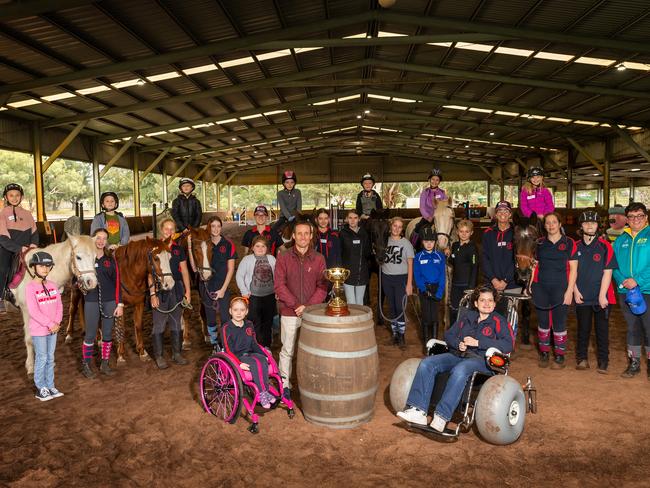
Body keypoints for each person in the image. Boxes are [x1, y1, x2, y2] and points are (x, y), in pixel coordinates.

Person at [396, 286, 513, 432]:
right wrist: (458, 343)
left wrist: (479, 343)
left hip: (482, 360)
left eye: (490, 300)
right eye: (482, 300)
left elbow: (508, 344)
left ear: (495, 304)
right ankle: (418, 411)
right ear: (476, 303)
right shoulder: (467, 317)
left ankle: (442, 416)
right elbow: (448, 335)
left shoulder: (499, 321)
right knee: (427, 363)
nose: (487, 303)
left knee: (460, 370)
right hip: (458, 354)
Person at [274, 220, 328, 400]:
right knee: (287, 350)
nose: (303, 237)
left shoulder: (319, 259)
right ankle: (285, 385)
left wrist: (308, 307)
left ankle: (311, 384)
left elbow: (322, 287)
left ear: (311, 236)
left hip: (312, 315)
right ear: (294, 236)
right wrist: (297, 306)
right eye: (300, 233)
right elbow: (279, 286)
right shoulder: (284, 257)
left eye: (307, 233)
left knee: (312, 352)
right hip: (290, 313)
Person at [573, 211, 617, 374]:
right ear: (581, 226)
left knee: (602, 330)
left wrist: (602, 295)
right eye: (586, 223)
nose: (589, 225)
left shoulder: (605, 246)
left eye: (593, 223)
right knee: (583, 328)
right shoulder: (575, 246)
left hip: (602, 297)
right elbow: (571, 272)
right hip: (582, 296)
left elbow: (608, 272)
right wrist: (575, 292)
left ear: (599, 226)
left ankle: (603, 361)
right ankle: (582, 358)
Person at [532, 212, 578, 369]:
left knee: (559, 322)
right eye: (547, 223)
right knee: (543, 322)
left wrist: (569, 291)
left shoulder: (569, 242)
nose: (551, 225)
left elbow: (574, 269)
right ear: (544, 226)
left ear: (560, 224)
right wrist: (530, 285)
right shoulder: (539, 243)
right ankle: (544, 352)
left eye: (554, 222)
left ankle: (559, 355)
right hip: (541, 287)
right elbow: (534, 267)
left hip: (561, 288)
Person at [612, 202, 650, 379]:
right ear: (627, 219)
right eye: (632, 216)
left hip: (647, 290)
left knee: (648, 328)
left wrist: (638, 281)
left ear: (646, 217)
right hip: (626, 291)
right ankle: (634, 363)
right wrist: (623, 281)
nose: (636, 220)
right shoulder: (621, 240)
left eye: (640, 216)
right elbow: (613, 265)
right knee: (632, 327)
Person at [149, 218, 192, 369]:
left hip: (177, 289)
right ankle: (159, 355)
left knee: (176, 320)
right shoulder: (154, 247)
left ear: (175, 232)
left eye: (172, 229)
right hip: (160, 290)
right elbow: (149, 273)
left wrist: (188, 291)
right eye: (166, 229)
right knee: (159, 323)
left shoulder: (178, 249)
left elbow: (185, 271)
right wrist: (152, 293)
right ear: (162, 230)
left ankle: (177, 353)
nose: (169, 232)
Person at [81, 228, 123, 379]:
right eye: (98, 238)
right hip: (91, 300)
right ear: (93, 239)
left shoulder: (110, 260)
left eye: (104, 239)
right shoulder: (86, 259)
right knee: (90, 334)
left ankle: (104, 363)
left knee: (107, 333)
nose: (101, 241)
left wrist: (120, 304)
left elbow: (117, 282)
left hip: (110, 301)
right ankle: (86, 364)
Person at [222, 297, 276, 409]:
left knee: (262, 360)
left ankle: (265, 390)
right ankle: (261, 393)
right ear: (230, 311)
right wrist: (238, 363)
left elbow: (254, 344)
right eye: (235, 310)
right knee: (254, 363)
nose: (238, 313)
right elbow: (227, 349)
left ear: (246, 311)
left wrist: (266, 356)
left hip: (250, 353)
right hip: (236, 356)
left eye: (242, 310)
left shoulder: (249, 324)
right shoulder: (227, 328)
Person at [25, 251, 64, 401]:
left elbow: (59, 306)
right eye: (41, 266)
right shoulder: (30, 287)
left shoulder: (53, 285)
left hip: (53, 328)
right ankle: (41, 388)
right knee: (41, 357)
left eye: (48, 266)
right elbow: (33, 311)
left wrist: (57, 322)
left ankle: (50, 385)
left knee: (50, 357)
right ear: (34, 267)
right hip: (39, 330)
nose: (45, 269)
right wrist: (49, 324)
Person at [199, 216, 237, 351]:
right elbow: (194, 267)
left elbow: (231, 269)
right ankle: (215, 345)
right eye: (212, 226)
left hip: (222, 286)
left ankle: (225, 346)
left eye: (218, 226)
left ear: (221, 227)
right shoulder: (204, 244)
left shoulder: (228, 244)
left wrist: (223, 289)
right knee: (210, 319)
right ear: (208, 227)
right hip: (207, 286)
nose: (215, 229)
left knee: (225, 318)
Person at [0, 183, 38, 313]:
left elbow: (34, 232)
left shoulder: (27, 214)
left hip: (27, 248)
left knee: (42, 265)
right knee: (3, 268)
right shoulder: (3, 213)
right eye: (11, 195)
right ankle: (1, 297)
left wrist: (33, 245)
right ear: (6, 197)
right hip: (7, 248)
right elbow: (3, 237)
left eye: (17, 195)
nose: (14, 198)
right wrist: (19, 248)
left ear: (21, 197)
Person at [236, 235, 276, 347]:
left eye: (263, 246)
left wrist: (277, 291)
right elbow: (239, 276)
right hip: (253, 296)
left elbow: (278, 276)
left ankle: (266, 346)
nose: (260, 248)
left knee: (267, 322)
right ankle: (256, 345)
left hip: (269, 296)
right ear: (252, 247)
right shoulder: (247, 260)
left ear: (266, 248)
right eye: (257, 246)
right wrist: (244, 291)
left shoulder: (272, 259)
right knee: (255, 322)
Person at [381, 216, 415, 348]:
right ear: (390, 226)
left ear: (402, 229)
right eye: (394, 226)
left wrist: (409, 283)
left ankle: (401, 335)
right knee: (391, 307)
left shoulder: (406, 243)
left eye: (400, 227)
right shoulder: (385, 241)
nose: (397, 229)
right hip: (387, 277)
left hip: (401, 278)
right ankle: (395, 334)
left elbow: (410, 264)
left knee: (400, 307)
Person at [481, 201, 518, 316]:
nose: (503, 213)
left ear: (510, 214)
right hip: (492, 283)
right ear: (496, 214)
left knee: (511, 318)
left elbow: (517, 260)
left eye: (506, 211)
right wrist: (493, 279)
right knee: (492, 317)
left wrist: (506, 280)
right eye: (500, 211)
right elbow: (484, 258)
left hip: (512, 284)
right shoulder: (488, 233)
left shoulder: (516, 233)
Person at [413, 227, 445, 346]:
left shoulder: (440, 256)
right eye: (426, 242)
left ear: (435, 242)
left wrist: (439, 293)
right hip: (424, 289)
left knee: (435, 316)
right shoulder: (418, 257)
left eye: (431, 241)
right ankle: (427, 343)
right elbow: (417, 275)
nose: (429, 244)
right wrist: (423, 289)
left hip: (436, 289)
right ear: (422, 242)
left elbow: (442, 275)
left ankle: (435, 343)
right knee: (426, 316)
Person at [448, 219, 479, 326]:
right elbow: (452, 262)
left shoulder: (472, 248)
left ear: (471, 233)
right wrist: (448, 254)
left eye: (467, 231)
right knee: (453, 309)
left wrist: (471, 288)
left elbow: (475, 267)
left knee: (466, 311)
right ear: (457, 232)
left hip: (466, 285)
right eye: (461, 231)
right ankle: (453, 333)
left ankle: (466, 334)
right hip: (455, 284)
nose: (464, 234)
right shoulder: (455, 245)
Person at [339, 209, 371, 305]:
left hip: (362, 273)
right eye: (350, 218)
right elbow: (340, 253)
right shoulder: (342, 234)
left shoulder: (364, 233)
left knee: (360, 303)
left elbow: (367, 252)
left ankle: (359, 320)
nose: (353, 220)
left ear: (359, 219)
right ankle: (352, 320)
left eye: (355, 218)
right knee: (351, 303)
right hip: (348, 274)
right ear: (346, 219)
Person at [412, 168, 448, 244]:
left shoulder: (442, 193)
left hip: (439, 217)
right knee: (417, 228)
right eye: (433, 179)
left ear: (439, 181)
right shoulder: (425, 192)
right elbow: (422, 207)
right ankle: (413, 246)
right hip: (428, 217)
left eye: (437, 180)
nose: (434, 181)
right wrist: (428, 217)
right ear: (429, 180)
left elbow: (446, 206)